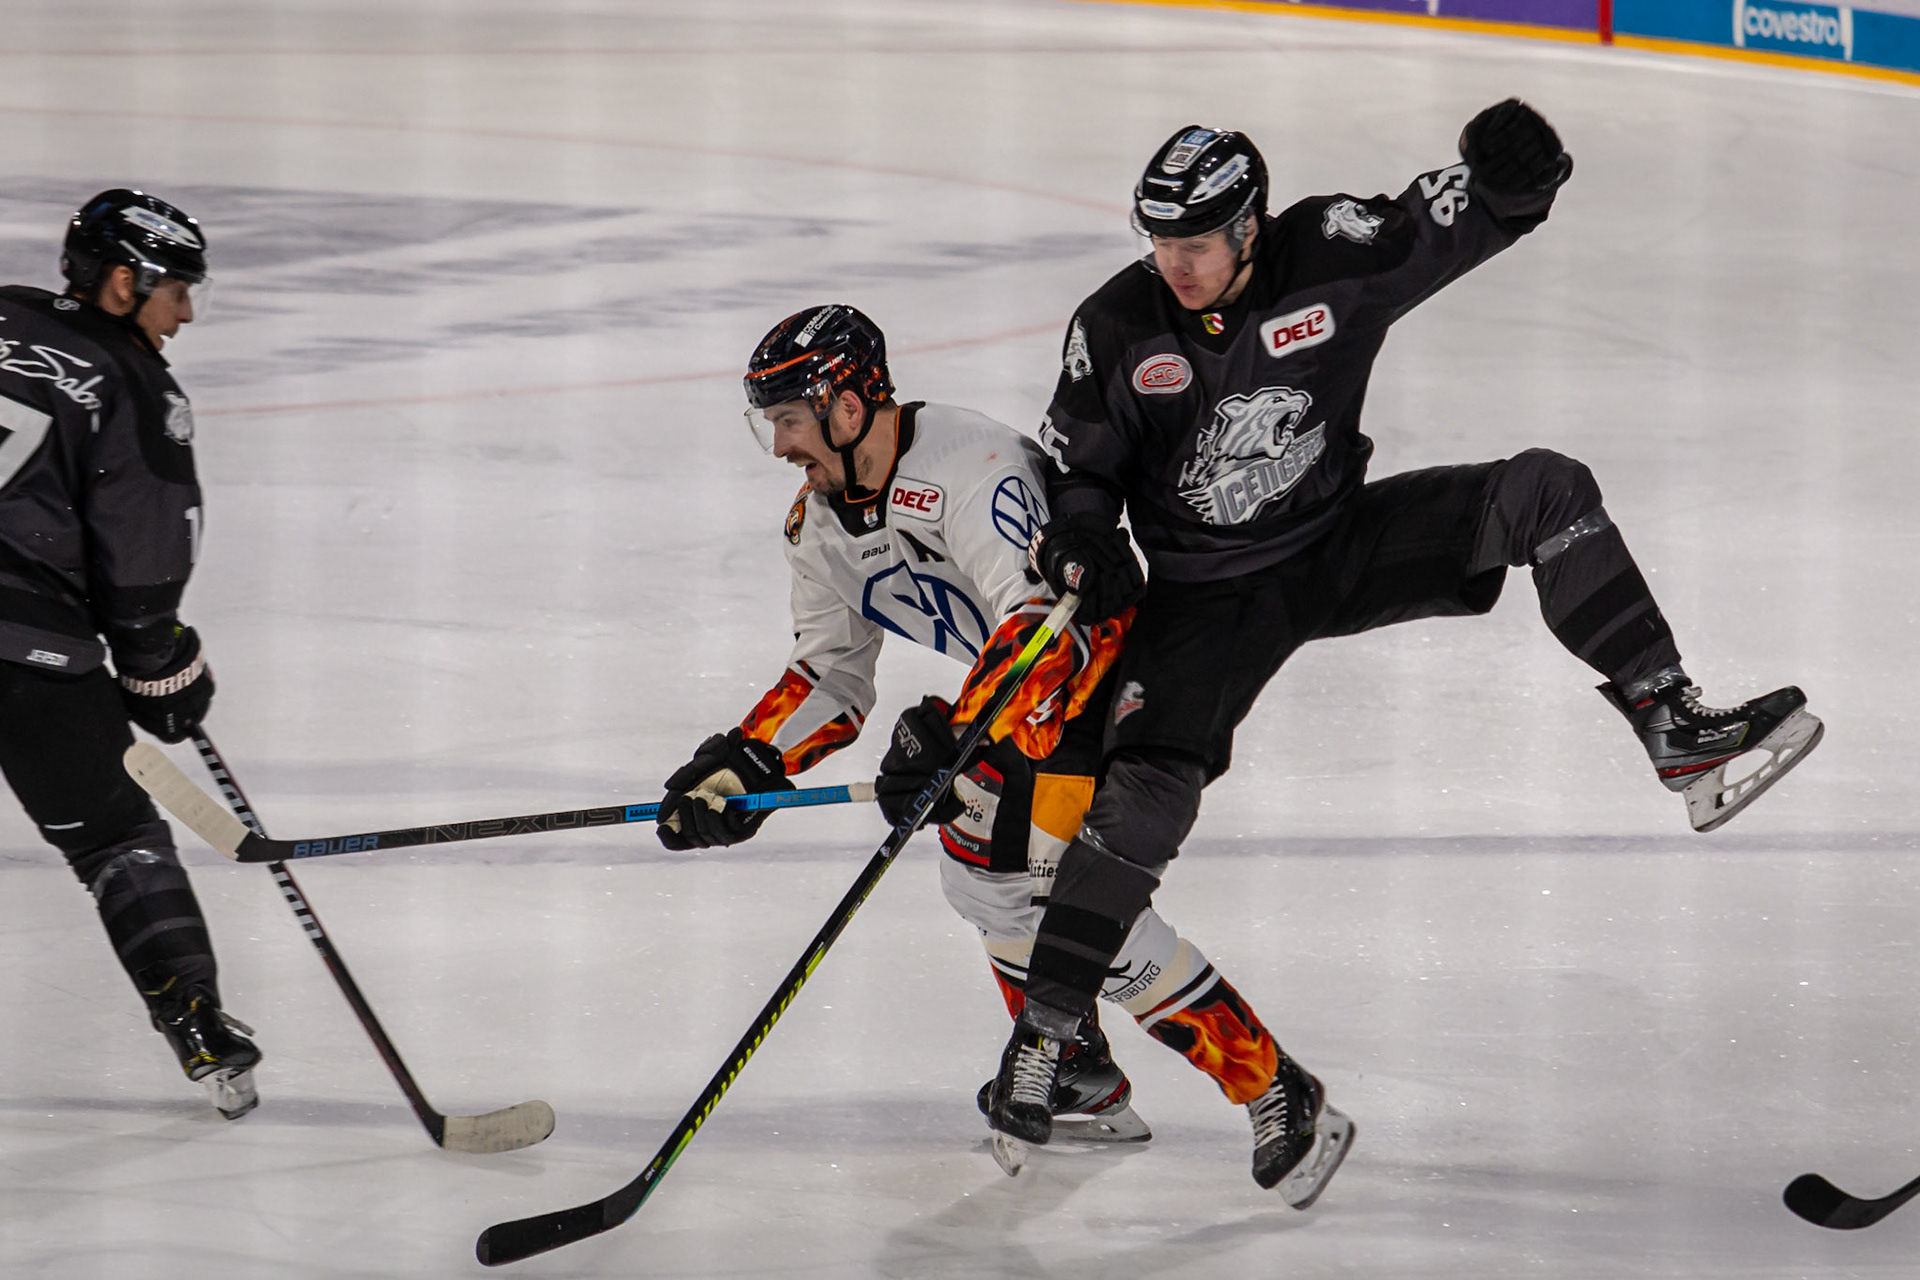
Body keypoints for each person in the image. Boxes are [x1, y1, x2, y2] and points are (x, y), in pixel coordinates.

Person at [992, 102, 1823, 1204]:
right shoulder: (1114, 324)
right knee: (1143, 794)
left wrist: (1516, 183)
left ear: (1251, 227)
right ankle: (1046, 1038)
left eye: (1195, 241)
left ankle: (1673, 724)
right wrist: (1085, 533)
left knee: (1544, 492)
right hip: (1203, 595)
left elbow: (1453, 221)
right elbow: (1078, 470)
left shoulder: (1328, 247)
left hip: (1337, 545)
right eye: (1159, 241)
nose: (1174, 263)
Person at [655, 305, 1308, 1157]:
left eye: (789, 419)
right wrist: (748, 763)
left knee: (1075, 907)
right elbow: (831, 674)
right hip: (1018, 711)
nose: (779, 445)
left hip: (1113, 681)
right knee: (982, 881)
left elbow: (1043, 623)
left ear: (846, 407)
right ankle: (1070, 1065)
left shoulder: (973, 464)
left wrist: (953, 735)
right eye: (768, 423)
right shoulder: (817, 526)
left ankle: (1270, 1083)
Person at [0, 189, 260, 1118]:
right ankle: (199, 1025)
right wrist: (165, 671)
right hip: (25, 651)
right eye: (176, 291)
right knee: (117, 841)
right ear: (123, 282)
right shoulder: (136, 385)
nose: (183, 315)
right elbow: (142, 562)